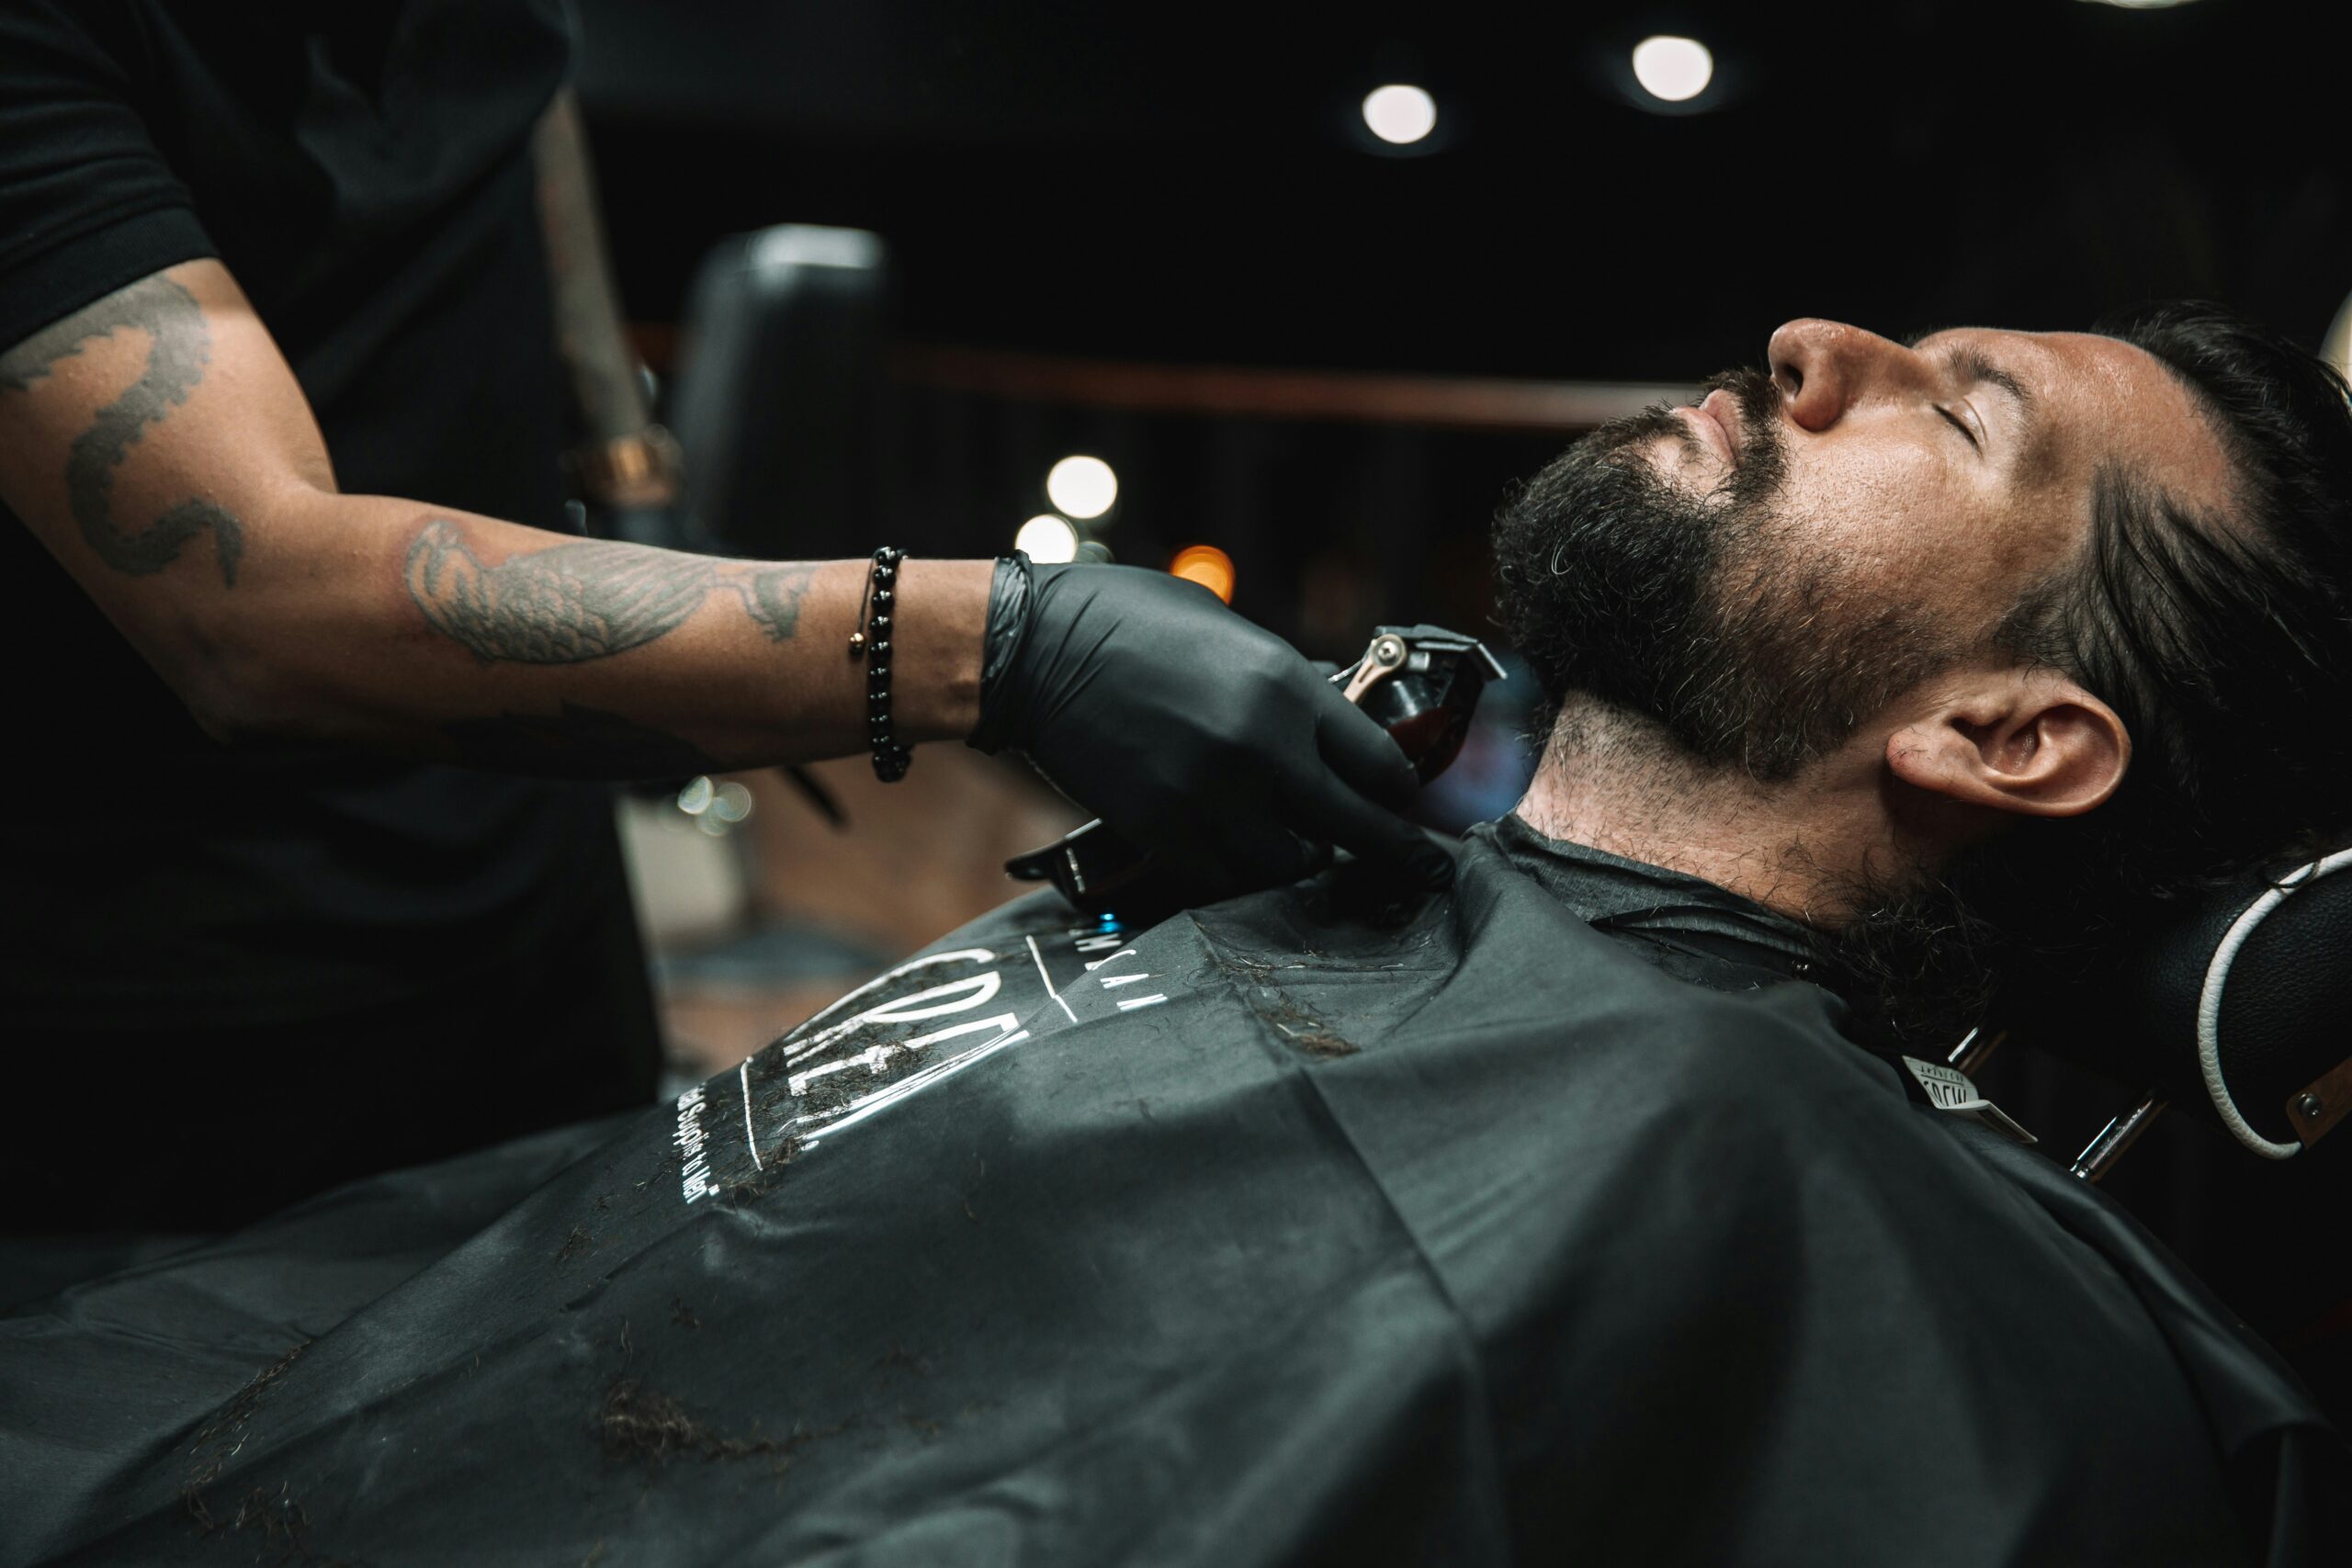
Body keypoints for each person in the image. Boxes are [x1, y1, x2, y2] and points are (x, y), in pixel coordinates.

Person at [4, 303, 2346, 1566]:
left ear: (2014, 734)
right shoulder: (1361, 873)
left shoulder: (1751, 1188)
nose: (1808, 339)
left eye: (1958, 414)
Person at [0, 3, 1445, 1238]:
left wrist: (625, 468)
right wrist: (994, 643)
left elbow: (521, 100)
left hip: (531, 901)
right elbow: (248, 594)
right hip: (175, 997)